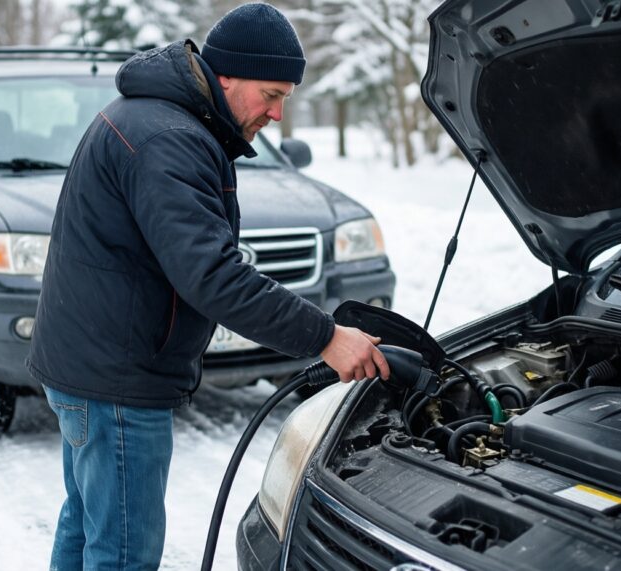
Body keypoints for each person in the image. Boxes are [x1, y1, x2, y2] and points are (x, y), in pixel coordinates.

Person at [26, 3, 389, 569]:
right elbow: (213, 276)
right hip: (117, 381)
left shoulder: (157, 120)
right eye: (271, 95)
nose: (277, 113)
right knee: (122, 552)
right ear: (227, 77)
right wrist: (325, 337)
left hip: (93, 366)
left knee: (88, 526)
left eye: (286, 98)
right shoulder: (168, 138)